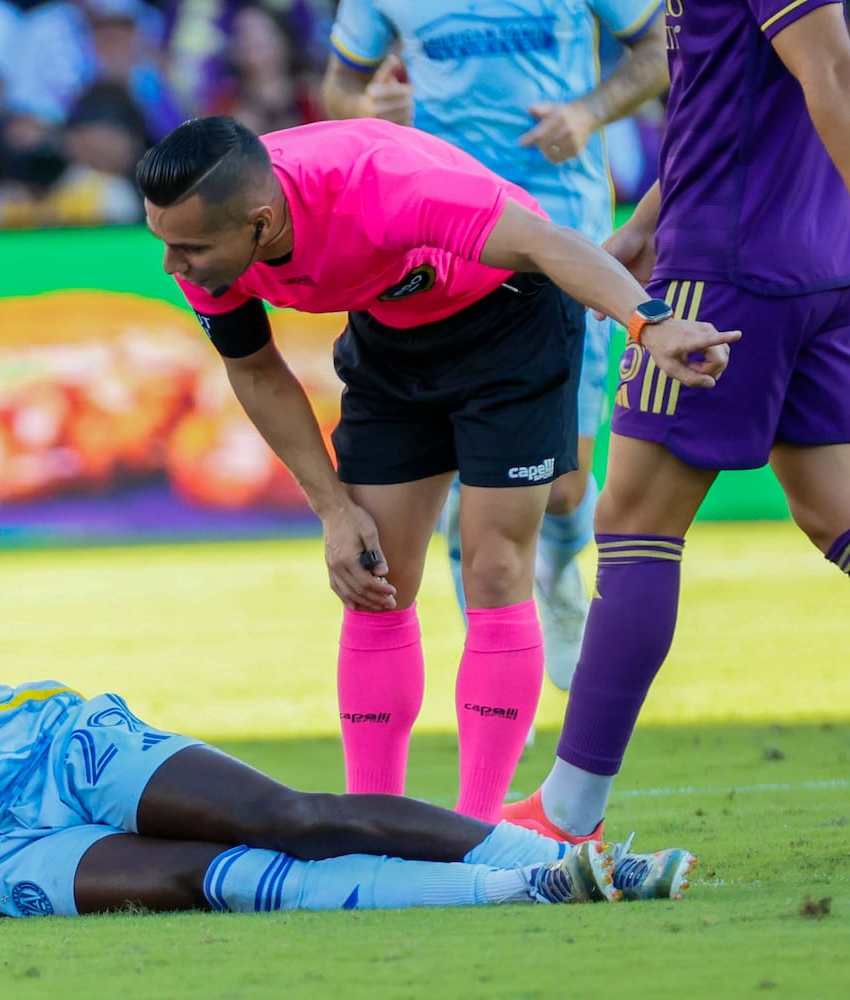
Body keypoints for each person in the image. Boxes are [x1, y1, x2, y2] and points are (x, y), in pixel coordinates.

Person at [135, 116, 737, 821]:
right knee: (373, 577)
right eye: (165, 242)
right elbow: (259, 374)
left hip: (510, 322)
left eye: (189, 249)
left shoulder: (383, 189)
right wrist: (333, 509)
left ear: (261, 224)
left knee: (493, 569)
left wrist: (652, 325)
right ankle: (372, 827)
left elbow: (548, 244)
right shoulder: (215, 242)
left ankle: (477, 832)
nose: (174, 267)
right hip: (392, 337)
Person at [0, 539, 696, 927]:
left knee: (289, 815)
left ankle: (564, 851)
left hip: (60, 748)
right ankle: (531, 891)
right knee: (218, 877)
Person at [506, 0, 850, 842]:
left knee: (633, 523)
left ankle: (569, 810)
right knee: (834, 510)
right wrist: (649, 224)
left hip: (729, 271)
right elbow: (730, 100)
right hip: (814, 261)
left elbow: (832, 71)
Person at [321, 0, 669, 694]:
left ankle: (559, 569)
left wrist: (589, 112)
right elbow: (338, 89)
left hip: (561, 240)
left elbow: (660, 49)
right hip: (435, 239)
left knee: (565, 488)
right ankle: (494, 643)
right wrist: (372, 108)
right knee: (461, 473)